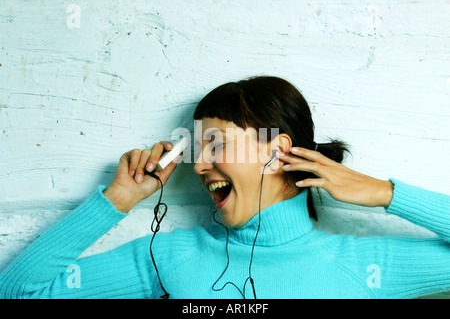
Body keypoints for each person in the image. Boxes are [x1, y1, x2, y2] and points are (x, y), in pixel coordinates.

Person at [1, 76, 449, 299]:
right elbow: (18, 294)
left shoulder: (362, 267)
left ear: (276, 153)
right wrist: (115, 201)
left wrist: (386, 194)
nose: (200, 164)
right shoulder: (169, 258)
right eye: (198, 147)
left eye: (216, 144)